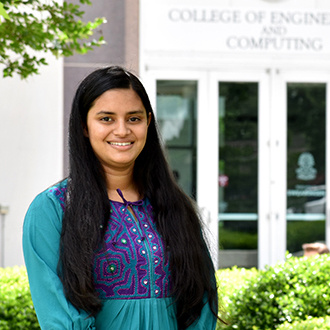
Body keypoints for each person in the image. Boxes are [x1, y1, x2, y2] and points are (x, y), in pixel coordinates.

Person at [23, 66, 221, 329]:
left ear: (148, 122)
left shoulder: (174, 206)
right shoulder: (52, 209)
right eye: (106, 119)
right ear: (84, 125)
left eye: (133, 118)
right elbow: (58, 316)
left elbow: (201, 301)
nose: (122, 130)